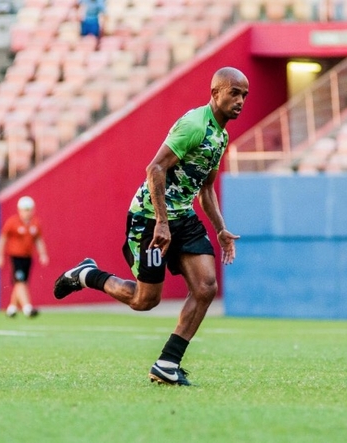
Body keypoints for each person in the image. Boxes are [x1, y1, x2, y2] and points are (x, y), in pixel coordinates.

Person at [53, 67, 248, 386]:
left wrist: (221, 228)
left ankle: (168, 363)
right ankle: (87, 274)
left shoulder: (221, 136)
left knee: (205, 287)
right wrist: (160, 221)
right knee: (146, 300)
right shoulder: (194, 125)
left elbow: (206, 189)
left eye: (244, 96)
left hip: (182, 217)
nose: (240, 100)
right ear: (215, 93)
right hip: (148, 218)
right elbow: (154, 168)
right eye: (234, 93)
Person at [0, 196, 49, 318]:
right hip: (16, 257)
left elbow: (38, 240)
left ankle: (12, 308)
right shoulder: (12, 222)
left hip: (27, 257)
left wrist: (43, 254)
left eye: (29, 209)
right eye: (25, 209)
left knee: (21, 283)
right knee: (20, 282)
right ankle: (27, 308)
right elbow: (3, 238)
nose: (27, 212)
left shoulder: (35, 223)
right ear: (19, 210)